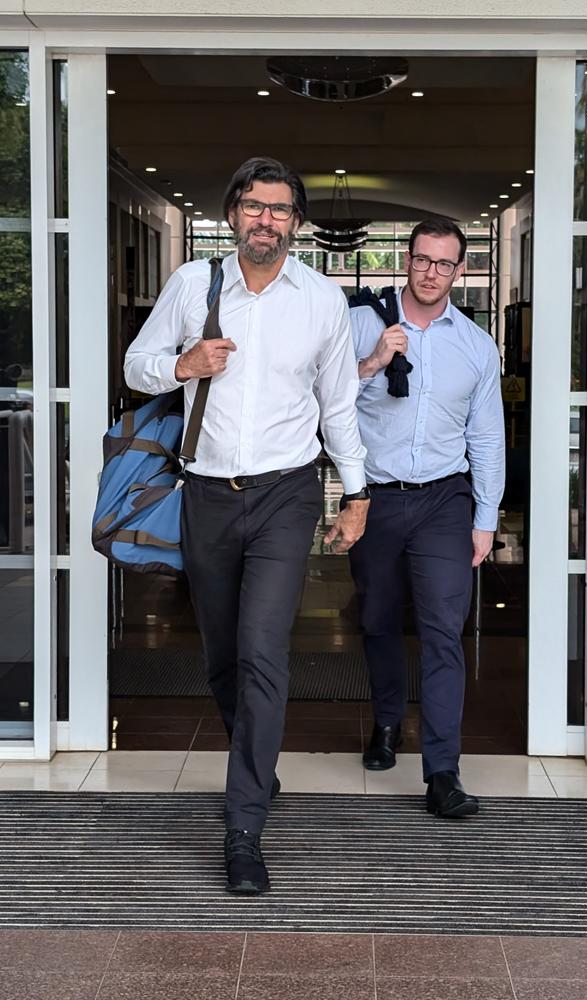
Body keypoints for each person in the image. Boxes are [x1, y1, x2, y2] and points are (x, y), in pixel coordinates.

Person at [124, 157, 370, 894]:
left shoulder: (321, 300)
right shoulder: (192, 286)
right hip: (206, 494)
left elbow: (338, 407)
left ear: (297, 222)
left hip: (287, 495)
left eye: (281, 209)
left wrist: (356, 494)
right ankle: (255, 761)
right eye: (255, 207)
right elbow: (136, 365)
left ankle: (243, 829)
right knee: (224, 656)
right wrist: (184, 364)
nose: (268, 219)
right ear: (233, 213)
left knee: (265, 652)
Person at [349, 216, 505, 818]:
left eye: (444, 263)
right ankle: (387, 724)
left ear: (459, 270)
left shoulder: (474, 345)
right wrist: (371, 362)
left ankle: (442, 770)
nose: (431, 271)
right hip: (376, 496)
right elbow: (320, 397)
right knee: (379, 618)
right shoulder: (365, 323)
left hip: (445, 500)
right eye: (422, 259)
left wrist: (485, 518)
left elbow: (487, 438)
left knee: (444, 632)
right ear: (406, 261)